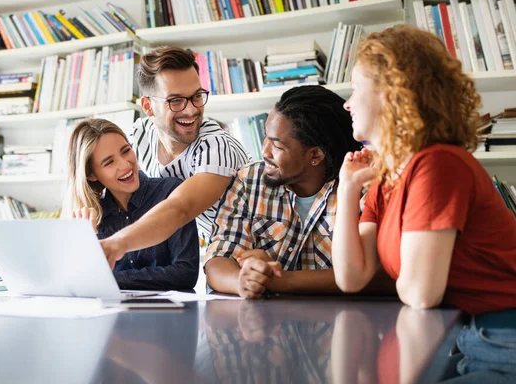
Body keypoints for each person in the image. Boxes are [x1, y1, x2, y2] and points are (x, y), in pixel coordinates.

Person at [332, 25, 516, 315]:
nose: (347, 104)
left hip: (500, 328)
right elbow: (351, 277)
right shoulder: (386, 179)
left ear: (392, 92)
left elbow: (420, 293)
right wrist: (347, 189)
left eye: (355, 88)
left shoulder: (437, 164)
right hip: (462, 328)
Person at [205, 85, 394, 299]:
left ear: (315, 155)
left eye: (277, 146)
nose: (264, 151)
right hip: (270, 326)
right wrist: (243, 281)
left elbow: (383, 276)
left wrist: (283, 281)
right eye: (266, 137)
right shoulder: (249, 181)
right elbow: (217, 259)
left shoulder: (362, 186)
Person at [98, 46, 250, 266]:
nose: (191, 110)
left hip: (261, 252)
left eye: (197, 96)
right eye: (175, 101)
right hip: (221, 256)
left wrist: (117, 244)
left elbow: (181, 208)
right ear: (148, 106)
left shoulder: (216, 145)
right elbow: (108, 176)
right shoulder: (139, 134)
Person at [62, 118, 199, 290]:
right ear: (91, 175)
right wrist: (82, 239)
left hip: (170, 314)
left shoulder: (170, 193)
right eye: (109, 162)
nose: (125, 164)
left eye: (126, 151)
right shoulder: (93, 217)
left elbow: (185, 272)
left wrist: (114, 280)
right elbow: (79, 281)